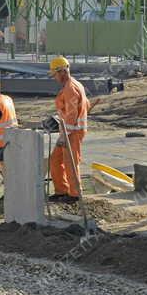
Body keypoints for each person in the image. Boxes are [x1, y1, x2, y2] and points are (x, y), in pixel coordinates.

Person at [47, 56, 89, 204]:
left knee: (71, 162)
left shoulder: (71, 88)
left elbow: (72, 114)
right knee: (55, 160)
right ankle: (61, 190)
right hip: (68, 131)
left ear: (63, 71)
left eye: (55, 75)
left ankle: (74, 194)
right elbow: (85, 105)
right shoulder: (73, 85)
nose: (55, 78)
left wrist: (65, 135)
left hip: (72, 132)